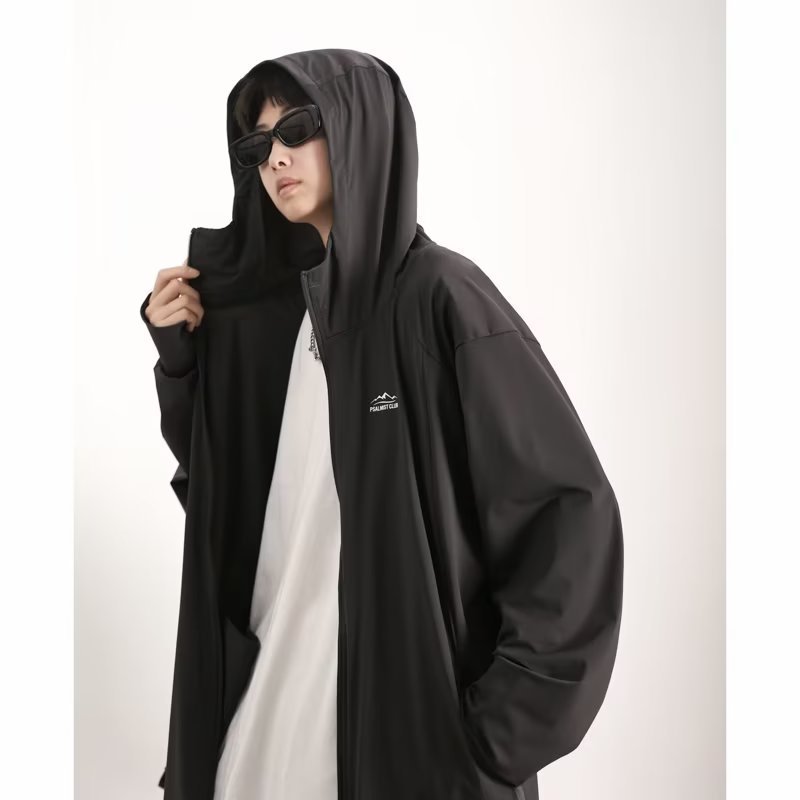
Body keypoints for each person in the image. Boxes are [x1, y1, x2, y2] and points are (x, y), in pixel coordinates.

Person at [141, 49, 624, 800]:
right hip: (265, 732)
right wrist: (181, 365)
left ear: (359, 129)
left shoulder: (441, 297)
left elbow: (566, 516)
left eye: (297, 129)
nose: (275, 158)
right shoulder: (284, 320)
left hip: (405, 748)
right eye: (257, 144)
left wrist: (494, 737)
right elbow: (224, 499)